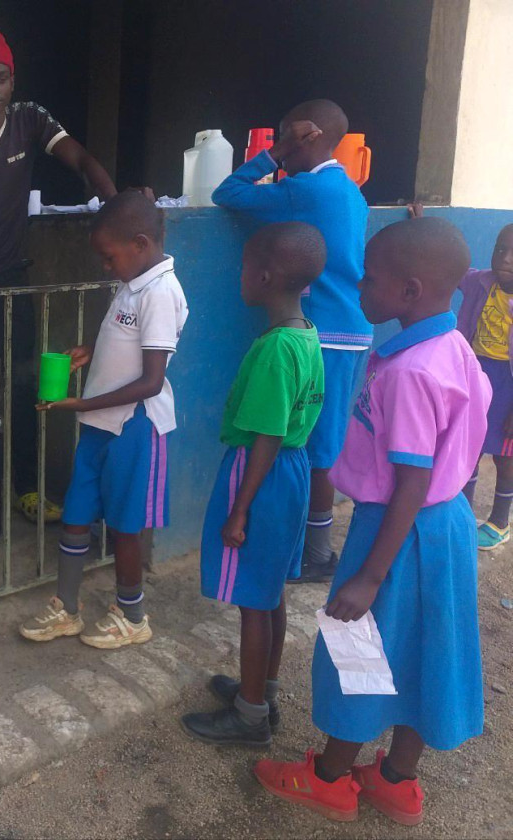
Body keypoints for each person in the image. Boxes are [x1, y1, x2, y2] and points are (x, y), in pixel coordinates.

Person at [254, 217, 490, 826]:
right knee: (425, 652)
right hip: (446, 527)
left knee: (357, 652)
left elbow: (411, 480)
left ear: (410, 291)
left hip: (396, 533)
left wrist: (369, 577)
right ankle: (395, 780)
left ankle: (330, 779)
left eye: (370, 279)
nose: (360, 287)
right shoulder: (452, 347)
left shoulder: (411, 373)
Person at [0, 22, 117, 523]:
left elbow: (81, 159)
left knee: (26, 386)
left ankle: (24, 488)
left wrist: (117, 206)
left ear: (13, 82)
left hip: (13, 277)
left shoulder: (29, 120)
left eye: (2, 78)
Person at [18, 190, 187, 648]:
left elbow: (151, 380)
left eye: (110, 257)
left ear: (140, 244)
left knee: (125, 526)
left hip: (134, 426)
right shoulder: (133, 284)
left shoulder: (161, 293)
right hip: (100, 425)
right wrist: (92, 350)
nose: (106, 266)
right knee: (76, 513)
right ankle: (66, 607)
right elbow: (129, 343)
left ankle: (132, 615)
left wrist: (82, 405)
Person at [180, 222, 326, 747]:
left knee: (252, 601)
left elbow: (267, 434)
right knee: (269, 591)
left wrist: (240, 509)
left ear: (264, 277)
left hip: (260, 474)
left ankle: (249, 717)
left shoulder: (275, 349)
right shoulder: (306, 334)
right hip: (291, 471)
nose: (238, 275)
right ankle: (262, 689)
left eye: (243, 268)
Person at [212, 99, 370, 583]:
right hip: (348, 332)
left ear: (308, 136)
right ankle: (313, 549)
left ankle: (316, 555)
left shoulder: (307, 190)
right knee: (320, 447)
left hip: (325, 334)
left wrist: (275, 153)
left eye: (286, 135)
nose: (281, 145)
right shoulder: (348, 189)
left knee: (313, 451)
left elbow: (227, 193)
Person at [413, 204, 513, 549]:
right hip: (477, 374)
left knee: (505, 454)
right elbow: (451, 268)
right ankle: (462, 512)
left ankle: (500, 521)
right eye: (500, 249)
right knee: (468, 445)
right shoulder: (480, 282)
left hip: (509, 385)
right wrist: (424, 228)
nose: (505, 259)